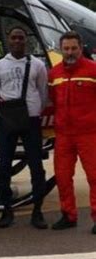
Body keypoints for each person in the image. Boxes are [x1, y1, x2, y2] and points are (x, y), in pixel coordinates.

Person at [0, 26, 48, 229]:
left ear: (26, 40)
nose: (18, 41)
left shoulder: (37, 65)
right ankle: (6, 209)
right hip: (8, 121)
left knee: (36, 167)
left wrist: (35, 112)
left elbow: (43, 92)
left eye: (21, 38)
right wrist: (2, 115)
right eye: (14, 38)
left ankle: (37, 210)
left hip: (31, 121)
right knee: (3, 166)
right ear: (8, 40)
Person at [48, 31, 96, 233]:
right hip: (64, 135)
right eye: (66, 48)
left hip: (89, 132)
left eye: (73, 48)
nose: (70, 52)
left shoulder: (93, 70)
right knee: (62, 176)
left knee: (94, 176)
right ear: (61, 49)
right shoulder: (54, 73)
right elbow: (52, 98)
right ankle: (68, 214)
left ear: (80, 47)